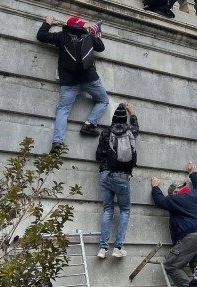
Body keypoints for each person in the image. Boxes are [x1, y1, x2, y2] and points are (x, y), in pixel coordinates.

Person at [36, 15, 109, 153]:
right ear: (79, 27)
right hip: (90, 79)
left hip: (69, 82)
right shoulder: (89, 37)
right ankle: (89, 124)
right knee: (103, 100)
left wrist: (47, 23)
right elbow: (101, 47)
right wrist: (92, 33)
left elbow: (41, 36)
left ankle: (57, 142)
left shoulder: (62, 36)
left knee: (63, 110)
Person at [151, 161, 197, 287]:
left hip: (191, 239)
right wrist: (192, 172)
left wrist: (155, 187)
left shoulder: (175, 199)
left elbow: (160, 201)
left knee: (170, 265)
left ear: (175, 192)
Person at [95, 102, 139, 259]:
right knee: (125, 210)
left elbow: (98, 156)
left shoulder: (106, 133)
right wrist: (132, 113)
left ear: (113, 120)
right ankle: (118, 247)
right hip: (121, 176)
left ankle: (102, 248)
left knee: (108, 209)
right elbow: (136, 129)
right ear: (124, 120)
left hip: (105, 174)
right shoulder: (130, 133)